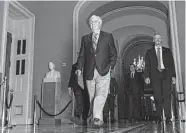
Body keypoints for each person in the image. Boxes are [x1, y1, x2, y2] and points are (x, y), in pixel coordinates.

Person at [76, 15, 117, 126]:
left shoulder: (108, 36)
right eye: (91, 23)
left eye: (94, 22)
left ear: (100, 23)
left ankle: (97, 118)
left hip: (103, 70)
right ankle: (94, 118)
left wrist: (110, 66)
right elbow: (82, 56)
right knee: (92, 96)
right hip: (89, 72)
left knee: (101, 95)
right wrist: (79, 68)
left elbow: (113, 53)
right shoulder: (85, 38)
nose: (92, 24)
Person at [144, 33, 176, 124]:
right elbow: (147, 65)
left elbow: (171, 64)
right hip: (155, 75)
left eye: (159, 38)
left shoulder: (168, 51)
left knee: (167, 96)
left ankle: (168, 118)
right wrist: (146, 76)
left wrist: (173, 76)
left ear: (161, 40)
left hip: (167, 74)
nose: (157, 40)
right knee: (157, 96)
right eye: (155, 38)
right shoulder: (149, 52)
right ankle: (158, 117)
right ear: (153, 40)